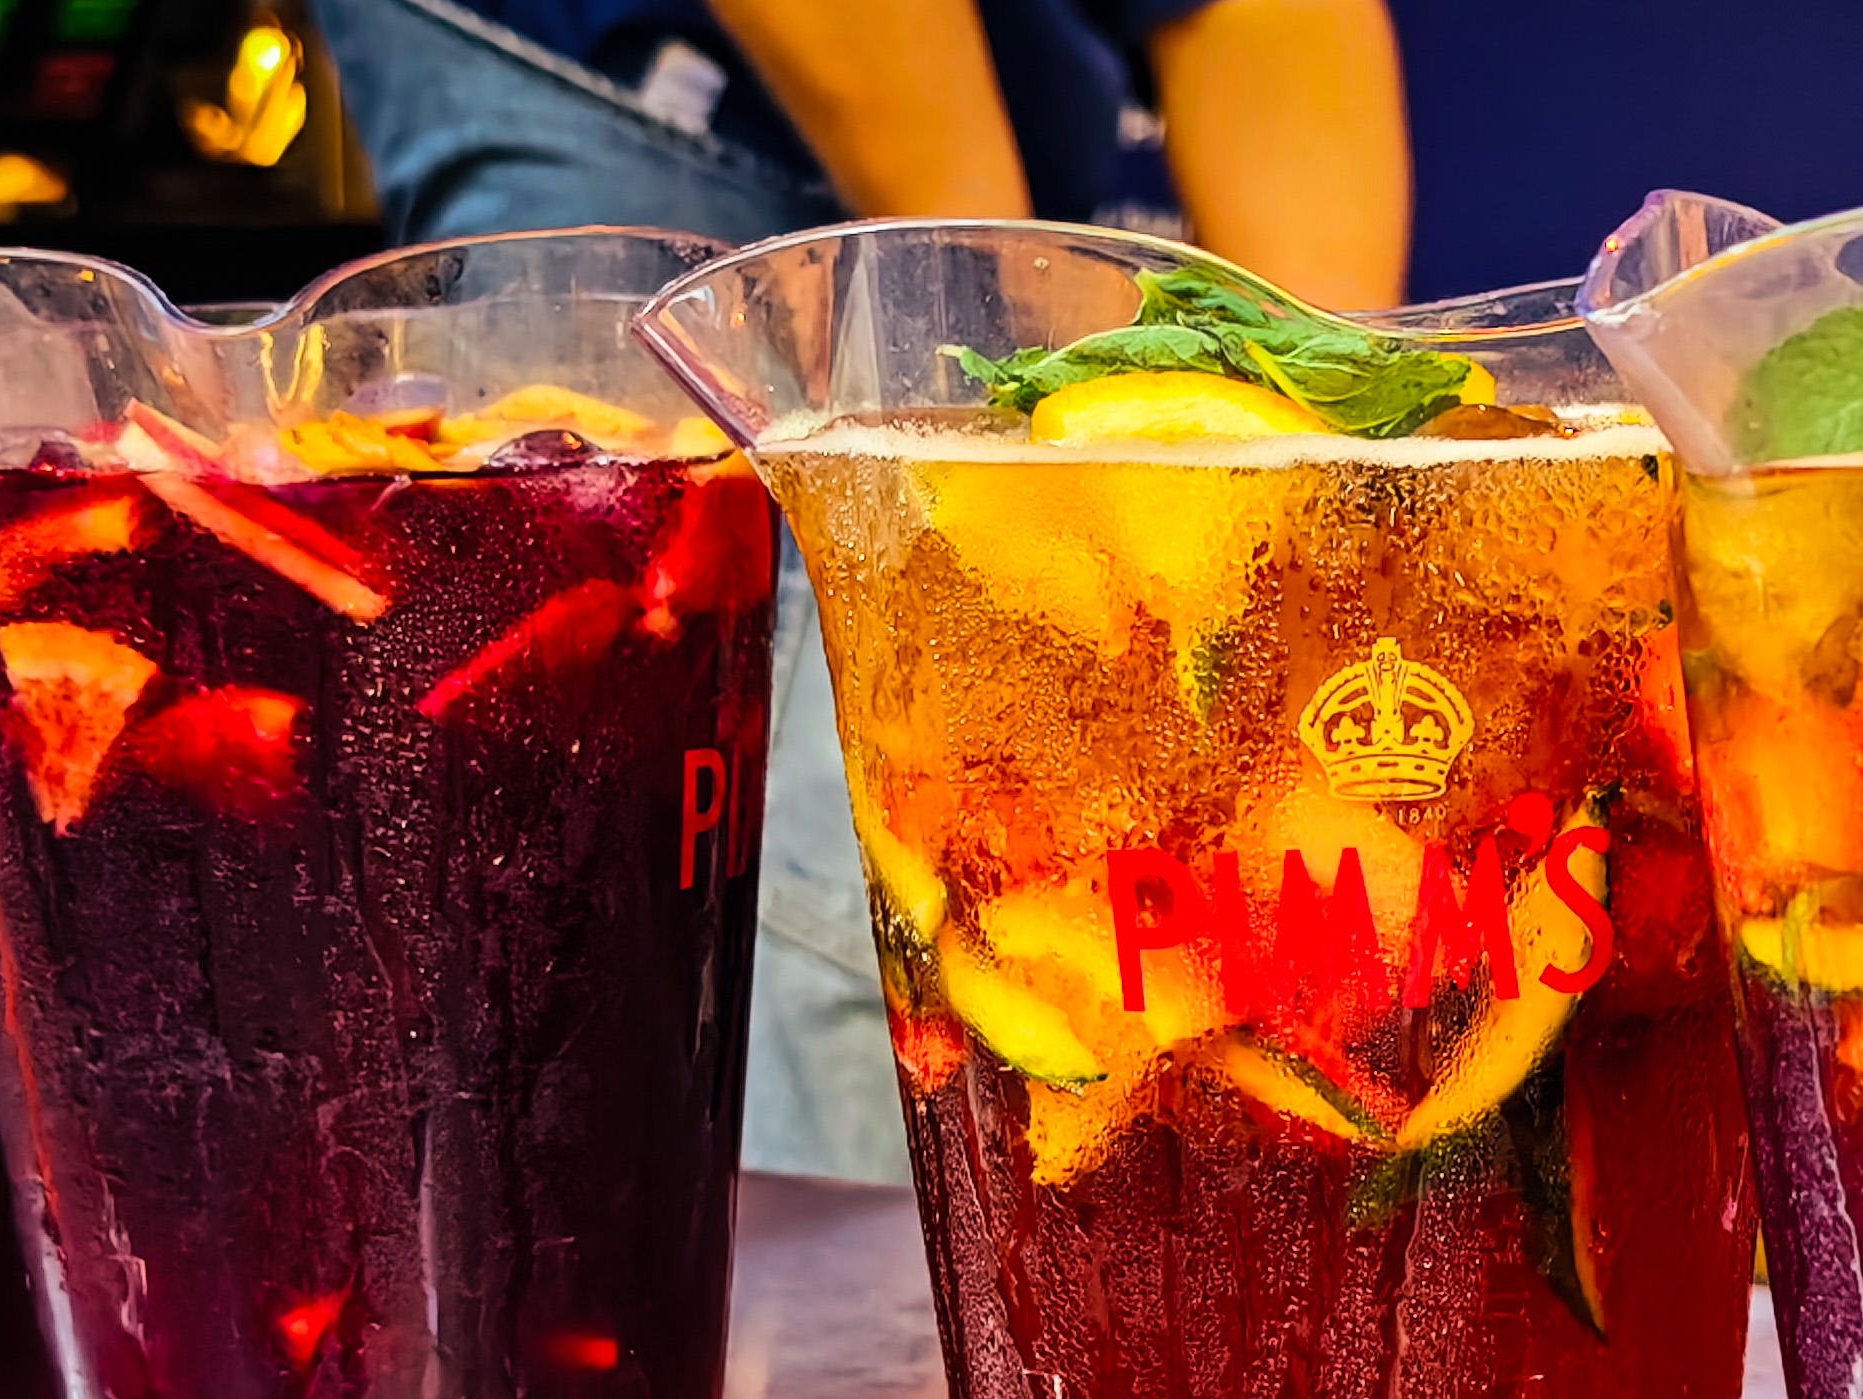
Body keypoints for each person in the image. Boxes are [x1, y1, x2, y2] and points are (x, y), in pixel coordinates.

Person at [308, 0, 1413, 1181]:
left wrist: (1301, 519)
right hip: (670, 174)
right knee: (671, 1067)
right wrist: (984, 311)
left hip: (1004, 238)